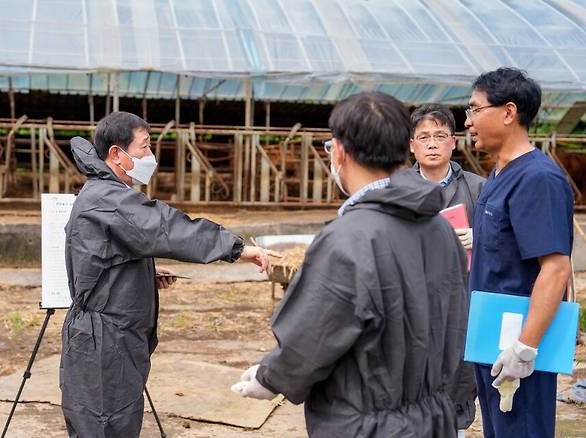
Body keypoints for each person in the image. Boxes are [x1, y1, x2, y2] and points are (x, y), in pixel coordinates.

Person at [232, 91, 468, 437]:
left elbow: (313, 333)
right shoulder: (441, 230)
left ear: (339, 152)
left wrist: (271, 377)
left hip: (365, 424)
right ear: (406, 149)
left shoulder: (347, 239)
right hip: (431, 418)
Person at [60, 111, 274, 437]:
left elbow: (99, 263)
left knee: (112, 423)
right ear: (117, 154)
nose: (150, 156)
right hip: (105, 341)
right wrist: (239, 250)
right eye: (144, 147)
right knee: (106, 425)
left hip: (106, 336)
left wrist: (142, 273)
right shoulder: (109, 199)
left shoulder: (101, 193)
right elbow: (167, 229)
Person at [465, 68, 573, 437]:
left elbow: (556, 268)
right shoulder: (498, 174)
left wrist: (525, 349)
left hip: (517, 348)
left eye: (475, 109)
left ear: (509, 113)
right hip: (491, 342)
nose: (468, 122)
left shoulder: (537, 178)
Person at [410, 104, 484, 435]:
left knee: (458, 380)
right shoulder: (396, 190)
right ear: (412, 145)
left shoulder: (479, 188)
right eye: (423, 136)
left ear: (454, 142)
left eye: (440, 135)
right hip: (412, 303)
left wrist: (480, 239)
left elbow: (504, 241)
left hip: (462, 303)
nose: (432, 143)